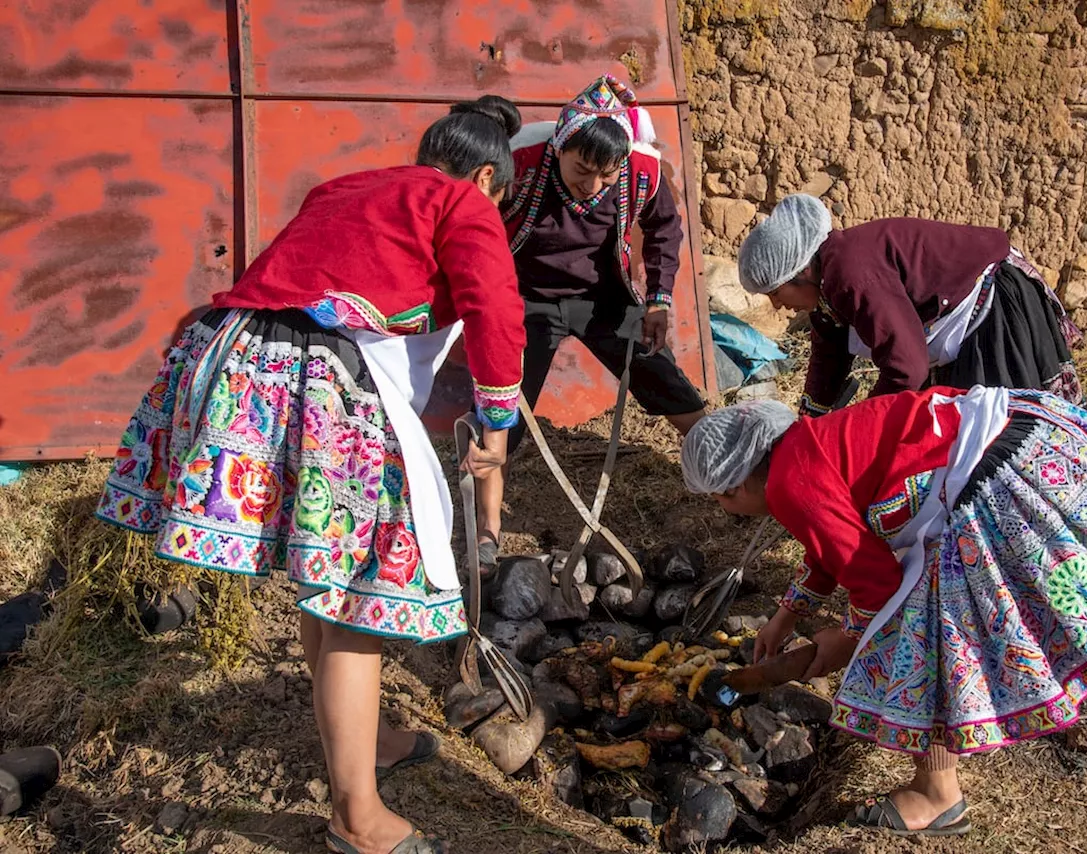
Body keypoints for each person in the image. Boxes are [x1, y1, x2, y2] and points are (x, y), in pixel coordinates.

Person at [95, 97, 528, 854]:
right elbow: (495, 305)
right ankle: (356, 818)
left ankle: (370, 746)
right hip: (319, 383)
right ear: (488, 176)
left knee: (325, 573)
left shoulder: (346, 186)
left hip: (234, 364)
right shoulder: (461, 199)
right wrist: (497, 424)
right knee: (361, 588)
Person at [681, 390, 1087, 836]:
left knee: (932, 635)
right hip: (1027, 429)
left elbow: (879, 590)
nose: (726, 509)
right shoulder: (806, 444)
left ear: (736, 481)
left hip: (994, 483)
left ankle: (935, 795)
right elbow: (834, 536)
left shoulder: (788, 485)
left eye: (721, 500)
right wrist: (789, 614)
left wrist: (846, 639)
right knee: (941, 616)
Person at [475, 74, 707, 565]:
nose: (593, 186)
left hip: (603, 297)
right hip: (525, 299)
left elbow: (665, 226)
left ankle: (728, 474)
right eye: (582, 170)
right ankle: (485, 535)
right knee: (504, 413)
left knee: (658, 375)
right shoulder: (519, 160)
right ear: (560, 143)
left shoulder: (640, 168)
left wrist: (659, 299)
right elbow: (477, 226)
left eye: (606, 176)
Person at [737, 195, 1084, 417]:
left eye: (776, 293)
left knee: (994, 430)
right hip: (955, 320)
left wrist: (865, 422)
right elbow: (829, 353)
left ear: (799, 274)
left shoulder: (850, 274)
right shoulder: (828, 287)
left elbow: (907, 366)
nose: (779, 307)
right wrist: (811, 418)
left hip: (990, 308)